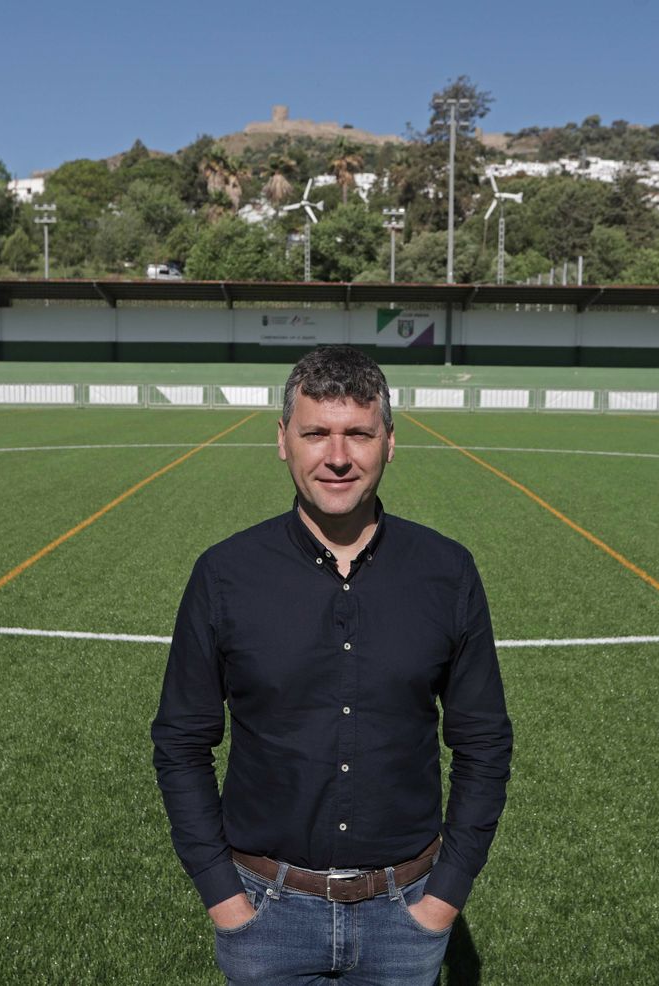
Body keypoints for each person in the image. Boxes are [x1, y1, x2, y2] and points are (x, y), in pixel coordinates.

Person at [151, 346, 513, 985]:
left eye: (358, 434)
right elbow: (182, 742)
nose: (338, 456)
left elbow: (483, 743)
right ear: (282, 441)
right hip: (263, 913)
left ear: (390, 443)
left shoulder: (446, 571)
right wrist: (224, 898)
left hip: (406, 917)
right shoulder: (225, 574)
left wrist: (442, 900)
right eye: (316, 433)